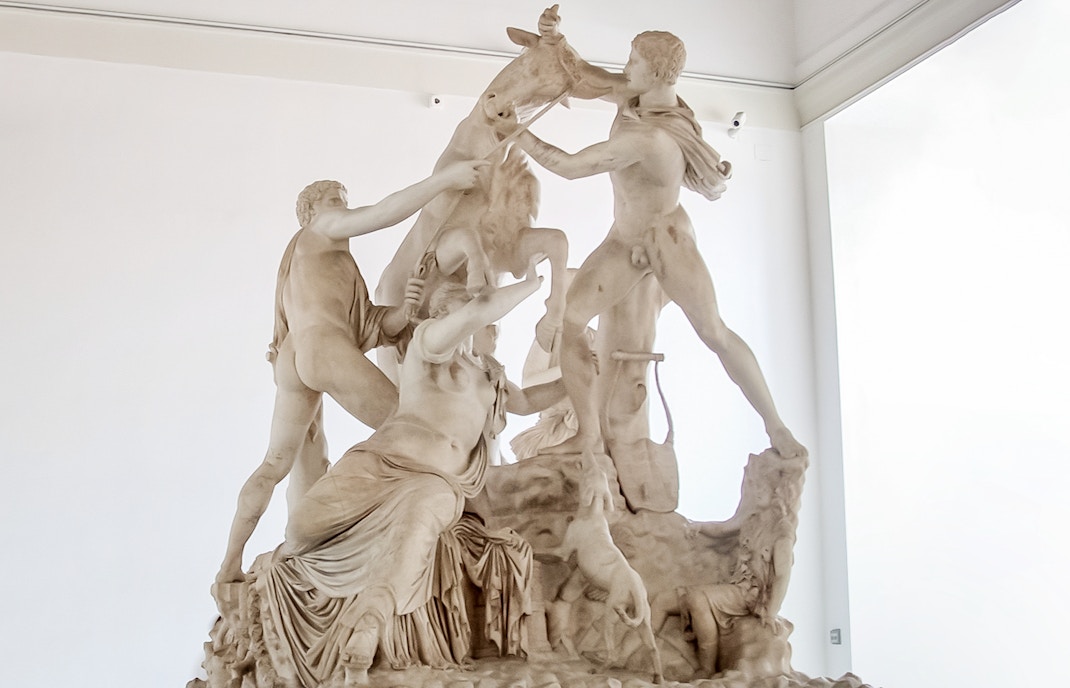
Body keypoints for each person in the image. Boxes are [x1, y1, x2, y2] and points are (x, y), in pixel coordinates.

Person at [498, 29, 807, 460]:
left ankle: (778, 429)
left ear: (657, 72)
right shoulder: (639, 96)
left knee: (713, 331)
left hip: (664, 238)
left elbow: (567, 166)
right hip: (624, 236)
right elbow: (588, 78)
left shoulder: (650, 139)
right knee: (572, 319)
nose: (626, 69)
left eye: (634, 62)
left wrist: (516, 130)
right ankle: (589, 434)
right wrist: (556, 44)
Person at [257, 266, 563, 686]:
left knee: (418, 525)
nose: (478, 322)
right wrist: (541, 285)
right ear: (444, 316)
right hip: (378, 463)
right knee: (300, 531)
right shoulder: (428, 345)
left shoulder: (489, 375)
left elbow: (527, 401)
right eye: (464, 312)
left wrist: (576, 379)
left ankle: (370, 620)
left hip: (435, 482)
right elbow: (482, 309)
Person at [216, 160, 489, 585]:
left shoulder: (320, 263)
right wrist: (444, 181)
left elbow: (369, 327)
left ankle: (228, 567)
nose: (341, 207)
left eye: (343, 200)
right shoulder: (319, 230)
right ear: (310, 211)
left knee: (274, 463)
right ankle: (379, 528)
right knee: (414, 428)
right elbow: (383, 212)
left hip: (296, 357)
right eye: (332, 200)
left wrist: (406, 309)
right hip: (322, 349)